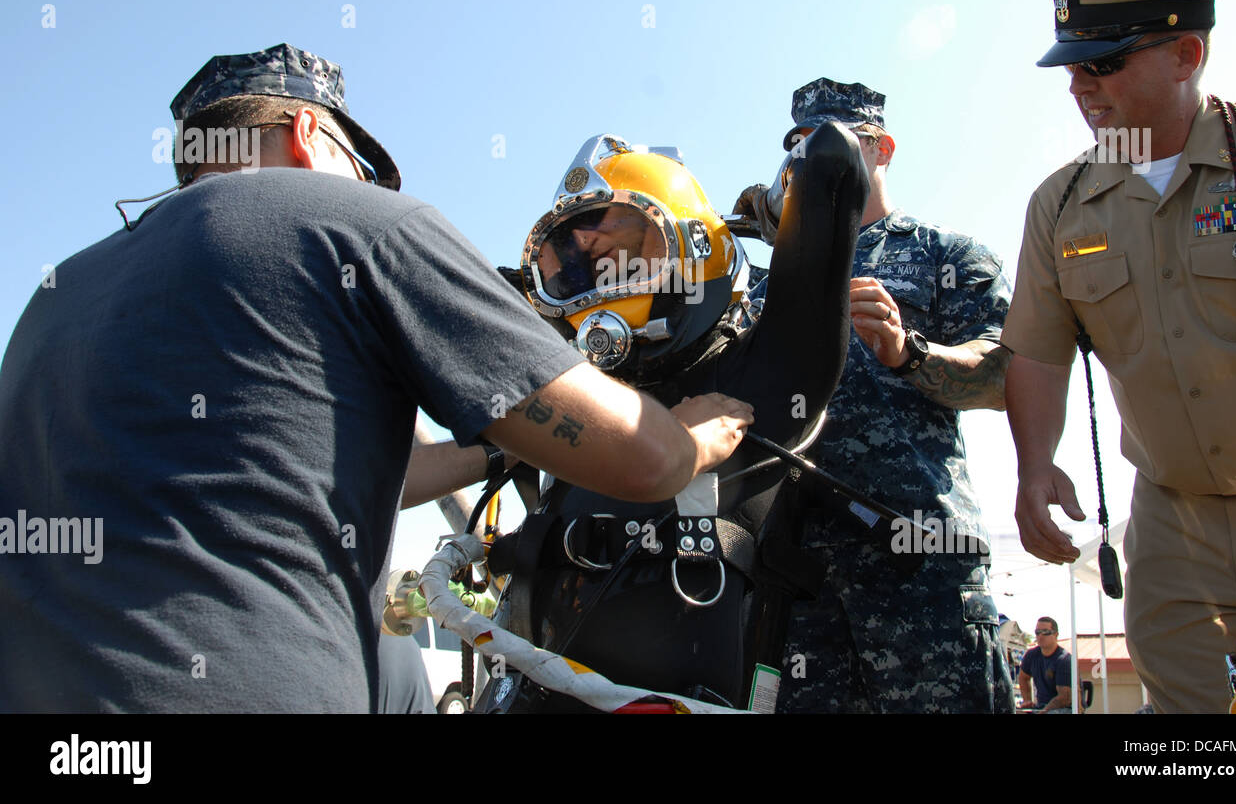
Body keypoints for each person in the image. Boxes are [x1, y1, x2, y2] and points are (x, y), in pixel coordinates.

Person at [0, 44, 753, 713]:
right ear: (307, 134)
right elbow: (643, 459)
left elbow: (324, 478)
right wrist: (686, 441)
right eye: (363, 171)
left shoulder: (54, 293)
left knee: (398, 667)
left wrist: (503, 449)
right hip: (251, 686)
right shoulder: (350, 221)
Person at [480, 124, 868, 711]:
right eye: (574, 267)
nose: (596, 285)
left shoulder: (760, 381)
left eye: (623, 255)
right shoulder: (563, 396)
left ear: (698, 247)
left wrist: (784, 196)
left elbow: (832, 158)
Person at [1003, 0, 1236, 713]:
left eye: (1102, 62)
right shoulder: (1061, 206)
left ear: (1186, 55)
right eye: (1070, 67)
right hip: (1172, 529)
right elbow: (1038, 350)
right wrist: (1035, 465)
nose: (1079, 86)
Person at [735, 78, 1015, 713]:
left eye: (833, 144)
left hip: (919, 561)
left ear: (882, 149)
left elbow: (1005, 374)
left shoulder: (946, 255)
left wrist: (907, 350)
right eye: (800, 148)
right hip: (794, 575)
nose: (813, 162)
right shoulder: (762, 284)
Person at [1017, 617, 1071, 713]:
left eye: (1046, 632)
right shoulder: (1031, 655)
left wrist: (1044, 711)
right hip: (1042, 707)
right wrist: (1027, 700)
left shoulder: (1064, 660)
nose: (1040, 636)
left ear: (1056, 634)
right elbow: (1023, 677)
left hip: (1066, 708)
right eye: (1037, 632)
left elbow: (1064, 698)